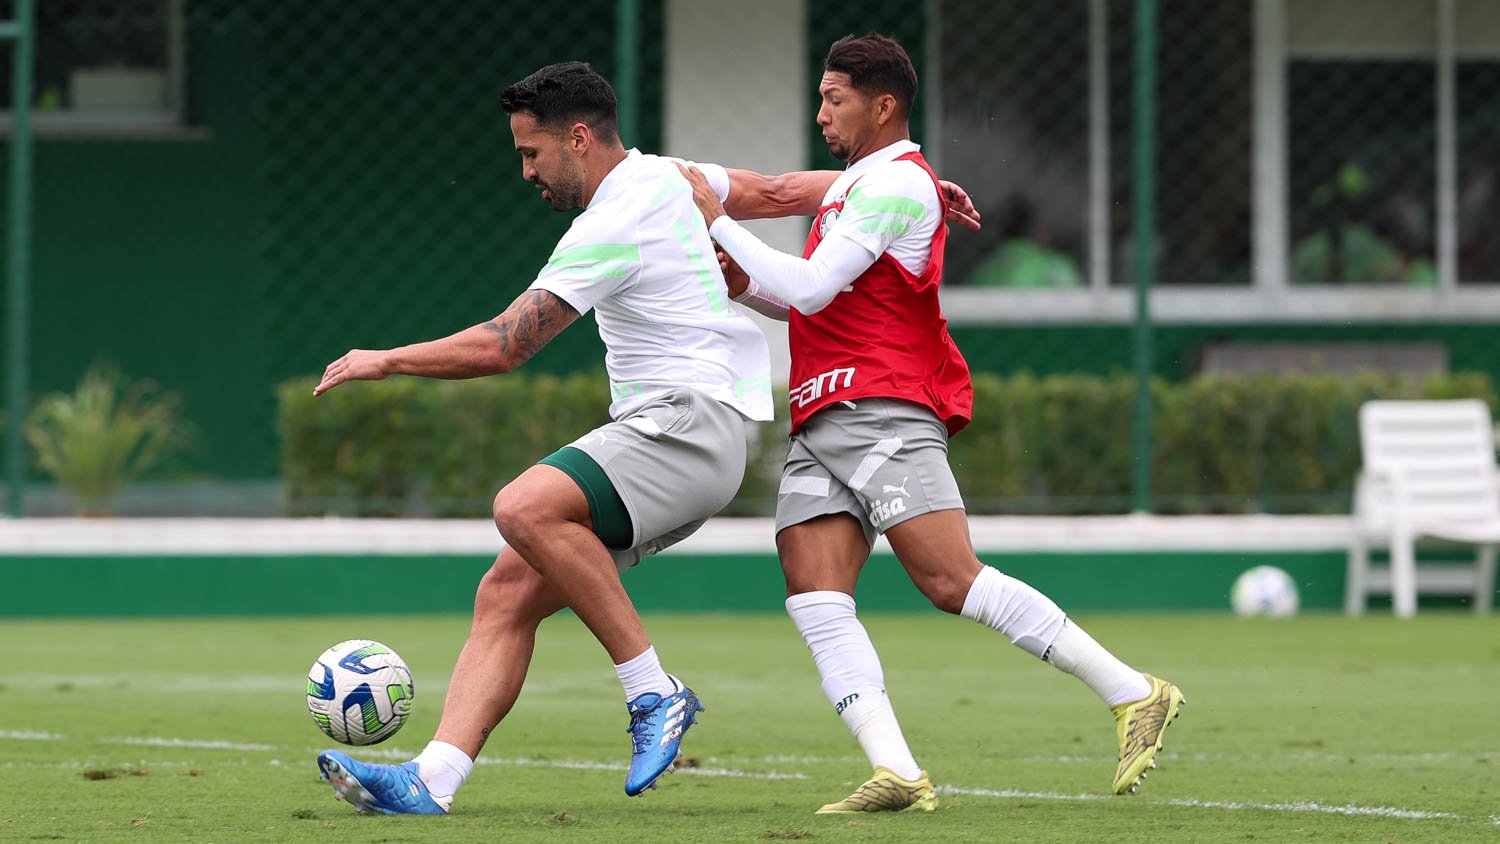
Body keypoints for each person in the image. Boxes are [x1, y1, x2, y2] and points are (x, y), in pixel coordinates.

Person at [308, 60, 981, 816]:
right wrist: (911, 185)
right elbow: (777, 191)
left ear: (579, 138)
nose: (526, 172)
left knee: (523, 506)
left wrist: (386, 359)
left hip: (684, 428)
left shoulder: (610, 223)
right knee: (506, 592)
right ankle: (433, 780)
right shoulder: (670, 175)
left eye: (531, 153)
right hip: (689, 434)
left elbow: (504, 344)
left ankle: (653, 691)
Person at [678, 32, 1184, 814]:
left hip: (882, 407)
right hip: (822, 413)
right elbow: (804, 300)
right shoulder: (860, 185)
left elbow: (808, 285)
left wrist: (716, 222)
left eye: (834, 99)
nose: (820, 114)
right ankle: (898, 772)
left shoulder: (894, 186)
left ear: (883, 106)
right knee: (813, 592)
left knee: (950, 579)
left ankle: (1132, 691)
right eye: (819, 98)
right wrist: (741, 282)